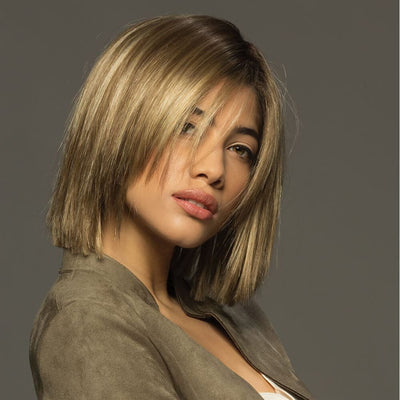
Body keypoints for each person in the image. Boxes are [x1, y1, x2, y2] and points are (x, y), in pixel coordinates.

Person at [29, 15, 313, 400]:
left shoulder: (230, 316)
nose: (214, 169)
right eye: (186, 127)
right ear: (116, 126)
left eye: (239, 149)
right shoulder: (87, 321)